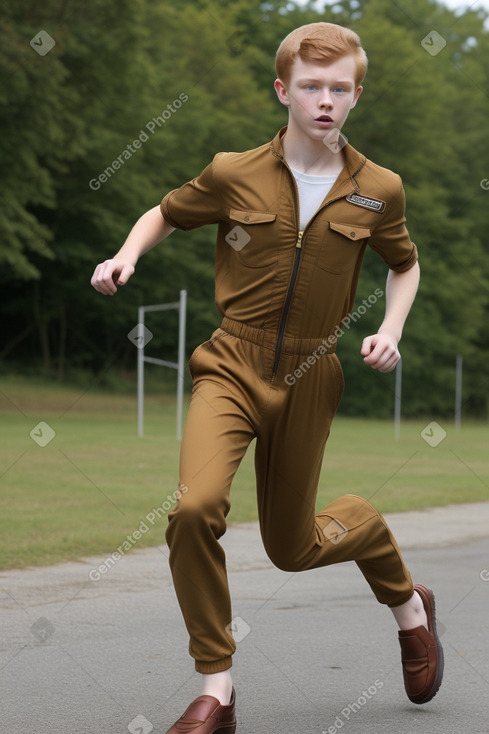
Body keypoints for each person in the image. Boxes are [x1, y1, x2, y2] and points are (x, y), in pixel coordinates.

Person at [91, 22, 443, 734]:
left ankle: (406, 600)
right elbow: (165, 211)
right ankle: (216, 689)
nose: (324, 100)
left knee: (293, 549)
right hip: (231, 363)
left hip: (313, 373)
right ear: (282, 90)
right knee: (193, 510)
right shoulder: (233, 171)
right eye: (310, 86)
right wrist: (126, 254)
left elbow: (403, 264)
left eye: (338, 88)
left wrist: (389, 330)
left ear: (355, 96)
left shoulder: (378, 189)